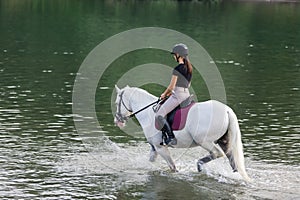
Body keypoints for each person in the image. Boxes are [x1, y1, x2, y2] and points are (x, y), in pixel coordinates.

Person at [155, 43, 193, 145]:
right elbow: (188, 84)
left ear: (178, 55)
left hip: (178, 96)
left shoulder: (177, 69)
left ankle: (171, 137)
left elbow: (171, 87)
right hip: (187, 94)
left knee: (159, 115)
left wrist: (164, 94)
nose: (173, 57)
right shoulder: (189, 68)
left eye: (174, 54)